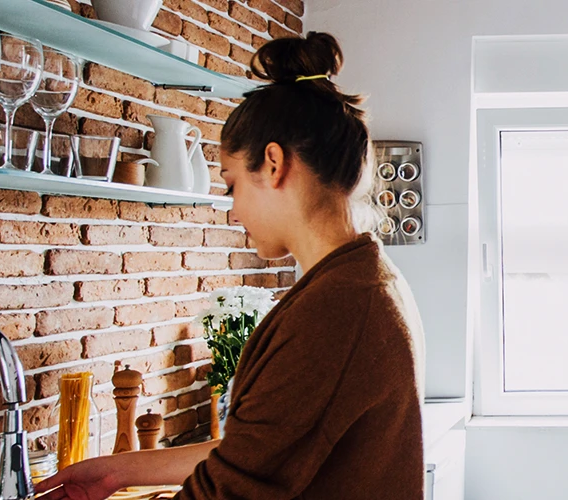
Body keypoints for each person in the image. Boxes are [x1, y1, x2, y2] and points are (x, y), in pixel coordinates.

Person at [35, 32, 426, 499]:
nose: (233, 211)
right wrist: (119, 472)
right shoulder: (363, 279)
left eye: (232, 184)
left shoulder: (337, 310)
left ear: (275, 163)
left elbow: (226, 492)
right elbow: (259, 452)